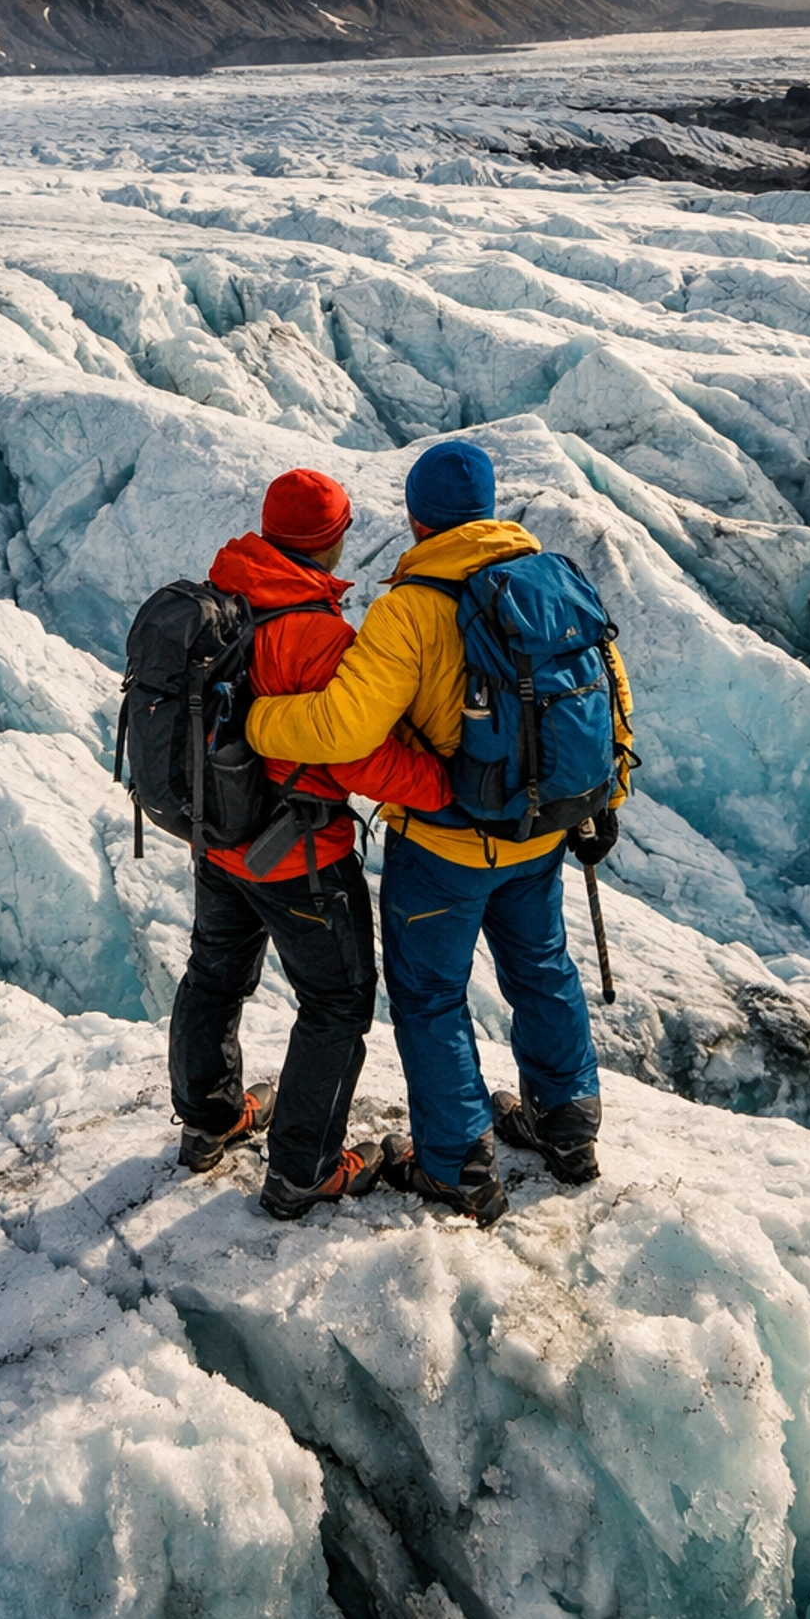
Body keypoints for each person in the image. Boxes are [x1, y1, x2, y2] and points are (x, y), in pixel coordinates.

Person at [247, 439, 632, 1228]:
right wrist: (604, 801)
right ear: (489, 510)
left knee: (430, 999)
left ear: (418, 519)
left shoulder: (411, 610)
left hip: (444, 846)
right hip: (537, 835)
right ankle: (567, 1128)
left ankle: (457, 1166)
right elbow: (609, 697)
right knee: (542, 970)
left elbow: (345, 726)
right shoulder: (554, 582)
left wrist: (256, 721)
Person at [168, 467, 455, 1220]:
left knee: (215, 974)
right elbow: (353, 754)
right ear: (333, 541)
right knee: (336, 1002)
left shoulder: (222, 601)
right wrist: (440, 785)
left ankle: (209, 1120)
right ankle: (305, 1170)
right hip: (299, 857)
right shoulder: (316, 635)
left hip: (219, 842)